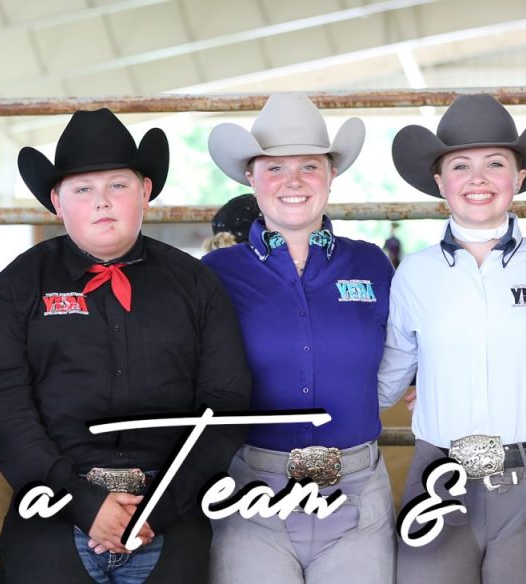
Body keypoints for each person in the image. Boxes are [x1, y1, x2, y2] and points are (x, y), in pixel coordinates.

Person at [0, 108, 253, 584]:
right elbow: (2, 402)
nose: (102, 201)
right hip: (53, 508)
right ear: (57, 202)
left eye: (117, 185)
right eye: (83, 189)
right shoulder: (20, 282)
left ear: (145, 191)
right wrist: (82, 502)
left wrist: (158, 506)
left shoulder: (196, 284)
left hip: (171, 513)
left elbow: (225, 401)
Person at [379, 93, 526, 583]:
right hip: (439, 480)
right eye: (460, 165)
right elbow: (388, 377)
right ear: (440, 181)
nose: (478, 178)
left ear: (519, 177)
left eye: (495, 163)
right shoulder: (414, 273)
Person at [202, 93, 395, 583]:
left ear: (331, 174)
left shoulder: (371, 263)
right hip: (253, 491)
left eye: (309, 166)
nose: (293, 181)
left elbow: (407, 347)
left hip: (355, 488)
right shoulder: (215, 273)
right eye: (275, 168)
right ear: (251, 177)